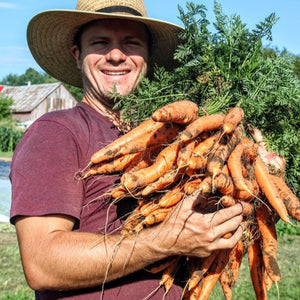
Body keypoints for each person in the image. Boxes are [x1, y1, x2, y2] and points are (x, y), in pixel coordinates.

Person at [10, 1, 245, 299]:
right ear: (77, 54)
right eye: (100, 42)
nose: (117, 55)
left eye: (131, 43)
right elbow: (42, 264)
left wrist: (250, 180)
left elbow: (205, 230)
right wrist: (165, 241)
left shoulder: (174, 137)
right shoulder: (57, 132)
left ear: (146, 58)